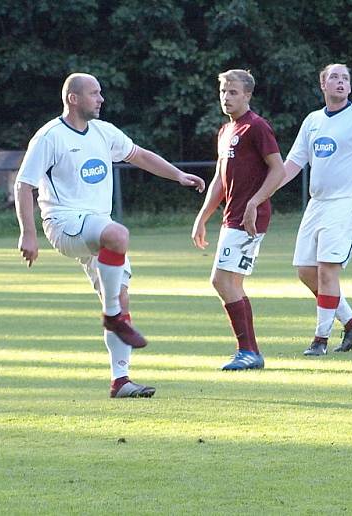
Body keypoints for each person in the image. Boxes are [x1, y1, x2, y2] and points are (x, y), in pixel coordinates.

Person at [15, 72, 205, 397]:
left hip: (96, 227)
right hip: (65, 224)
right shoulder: (50, 136)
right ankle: (113, 316)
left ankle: (121, 381)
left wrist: (177, 176)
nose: (101, 99)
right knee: (118, 235)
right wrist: (28, 234)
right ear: (73, 98)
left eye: (100, 93)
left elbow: (140, 155)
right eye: (94, 93)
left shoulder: (104, 132)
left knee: (120, 294)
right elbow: (24, 184)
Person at [279, 63, 352, 356]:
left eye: (345, 78)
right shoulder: (313, 121)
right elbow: (292, 163)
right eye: (334, 78)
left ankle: (320, 340)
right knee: (306, 271)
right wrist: (263, 193)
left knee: (328, 270)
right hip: (318, 204)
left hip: (349, 202)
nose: (340, 82)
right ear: (323, 86)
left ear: (350, 87)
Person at [191, 69, 285, 370]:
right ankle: (249, 352)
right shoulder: (226, 130)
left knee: (221, 280)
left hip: (248, 219)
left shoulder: (256, 127)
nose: (226, 97)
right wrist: (202, 216)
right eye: (223, 92)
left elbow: (278, 170)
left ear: (247, 95)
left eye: (233, 92)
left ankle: (249, 351)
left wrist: (255, 202)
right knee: (232, 283)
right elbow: (220, 178)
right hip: (232, 217)